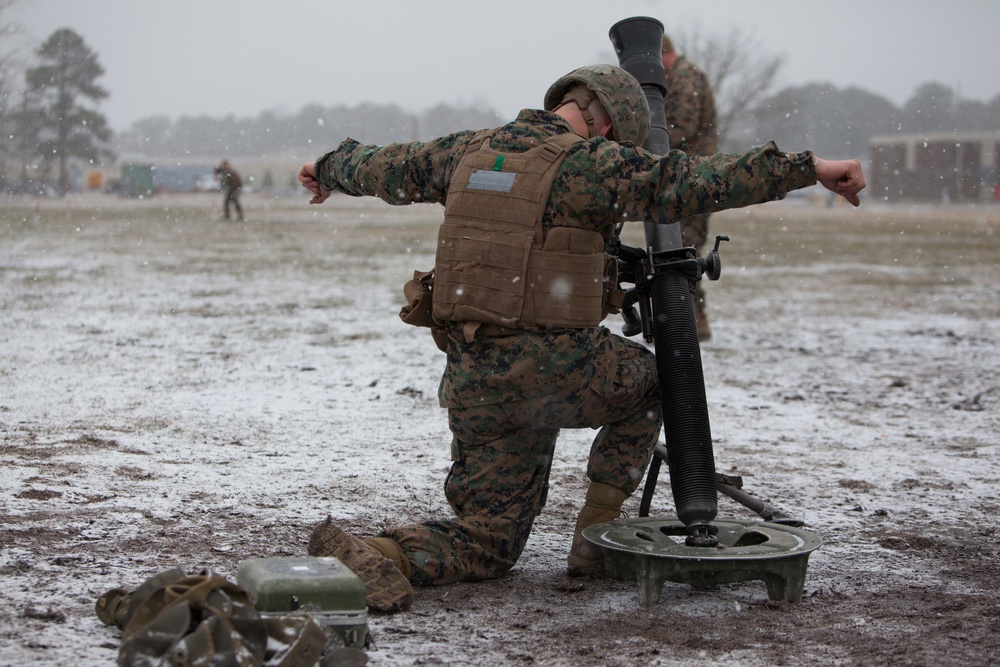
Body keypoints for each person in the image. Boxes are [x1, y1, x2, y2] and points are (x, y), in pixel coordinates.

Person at [297, 64, 865, 613]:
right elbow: (693, 183)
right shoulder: (593, 165)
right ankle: (594, 539)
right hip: (560, 371)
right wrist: (808, 167)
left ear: (566, 100)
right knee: (659, 381)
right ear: (611, 123)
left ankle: (374, 553)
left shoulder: (464, 153)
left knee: (485, 544)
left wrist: (326, 168)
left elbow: (376, 165)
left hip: (475, 380)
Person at [661, 33, 719, 341]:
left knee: (683, 251)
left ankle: (693, 319)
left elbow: (680, 129)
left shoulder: (685, 79)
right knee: (678, 250)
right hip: (688, 176)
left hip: (693, 179)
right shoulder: (683, 77)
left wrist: (645, 145)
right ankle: (687, 318)